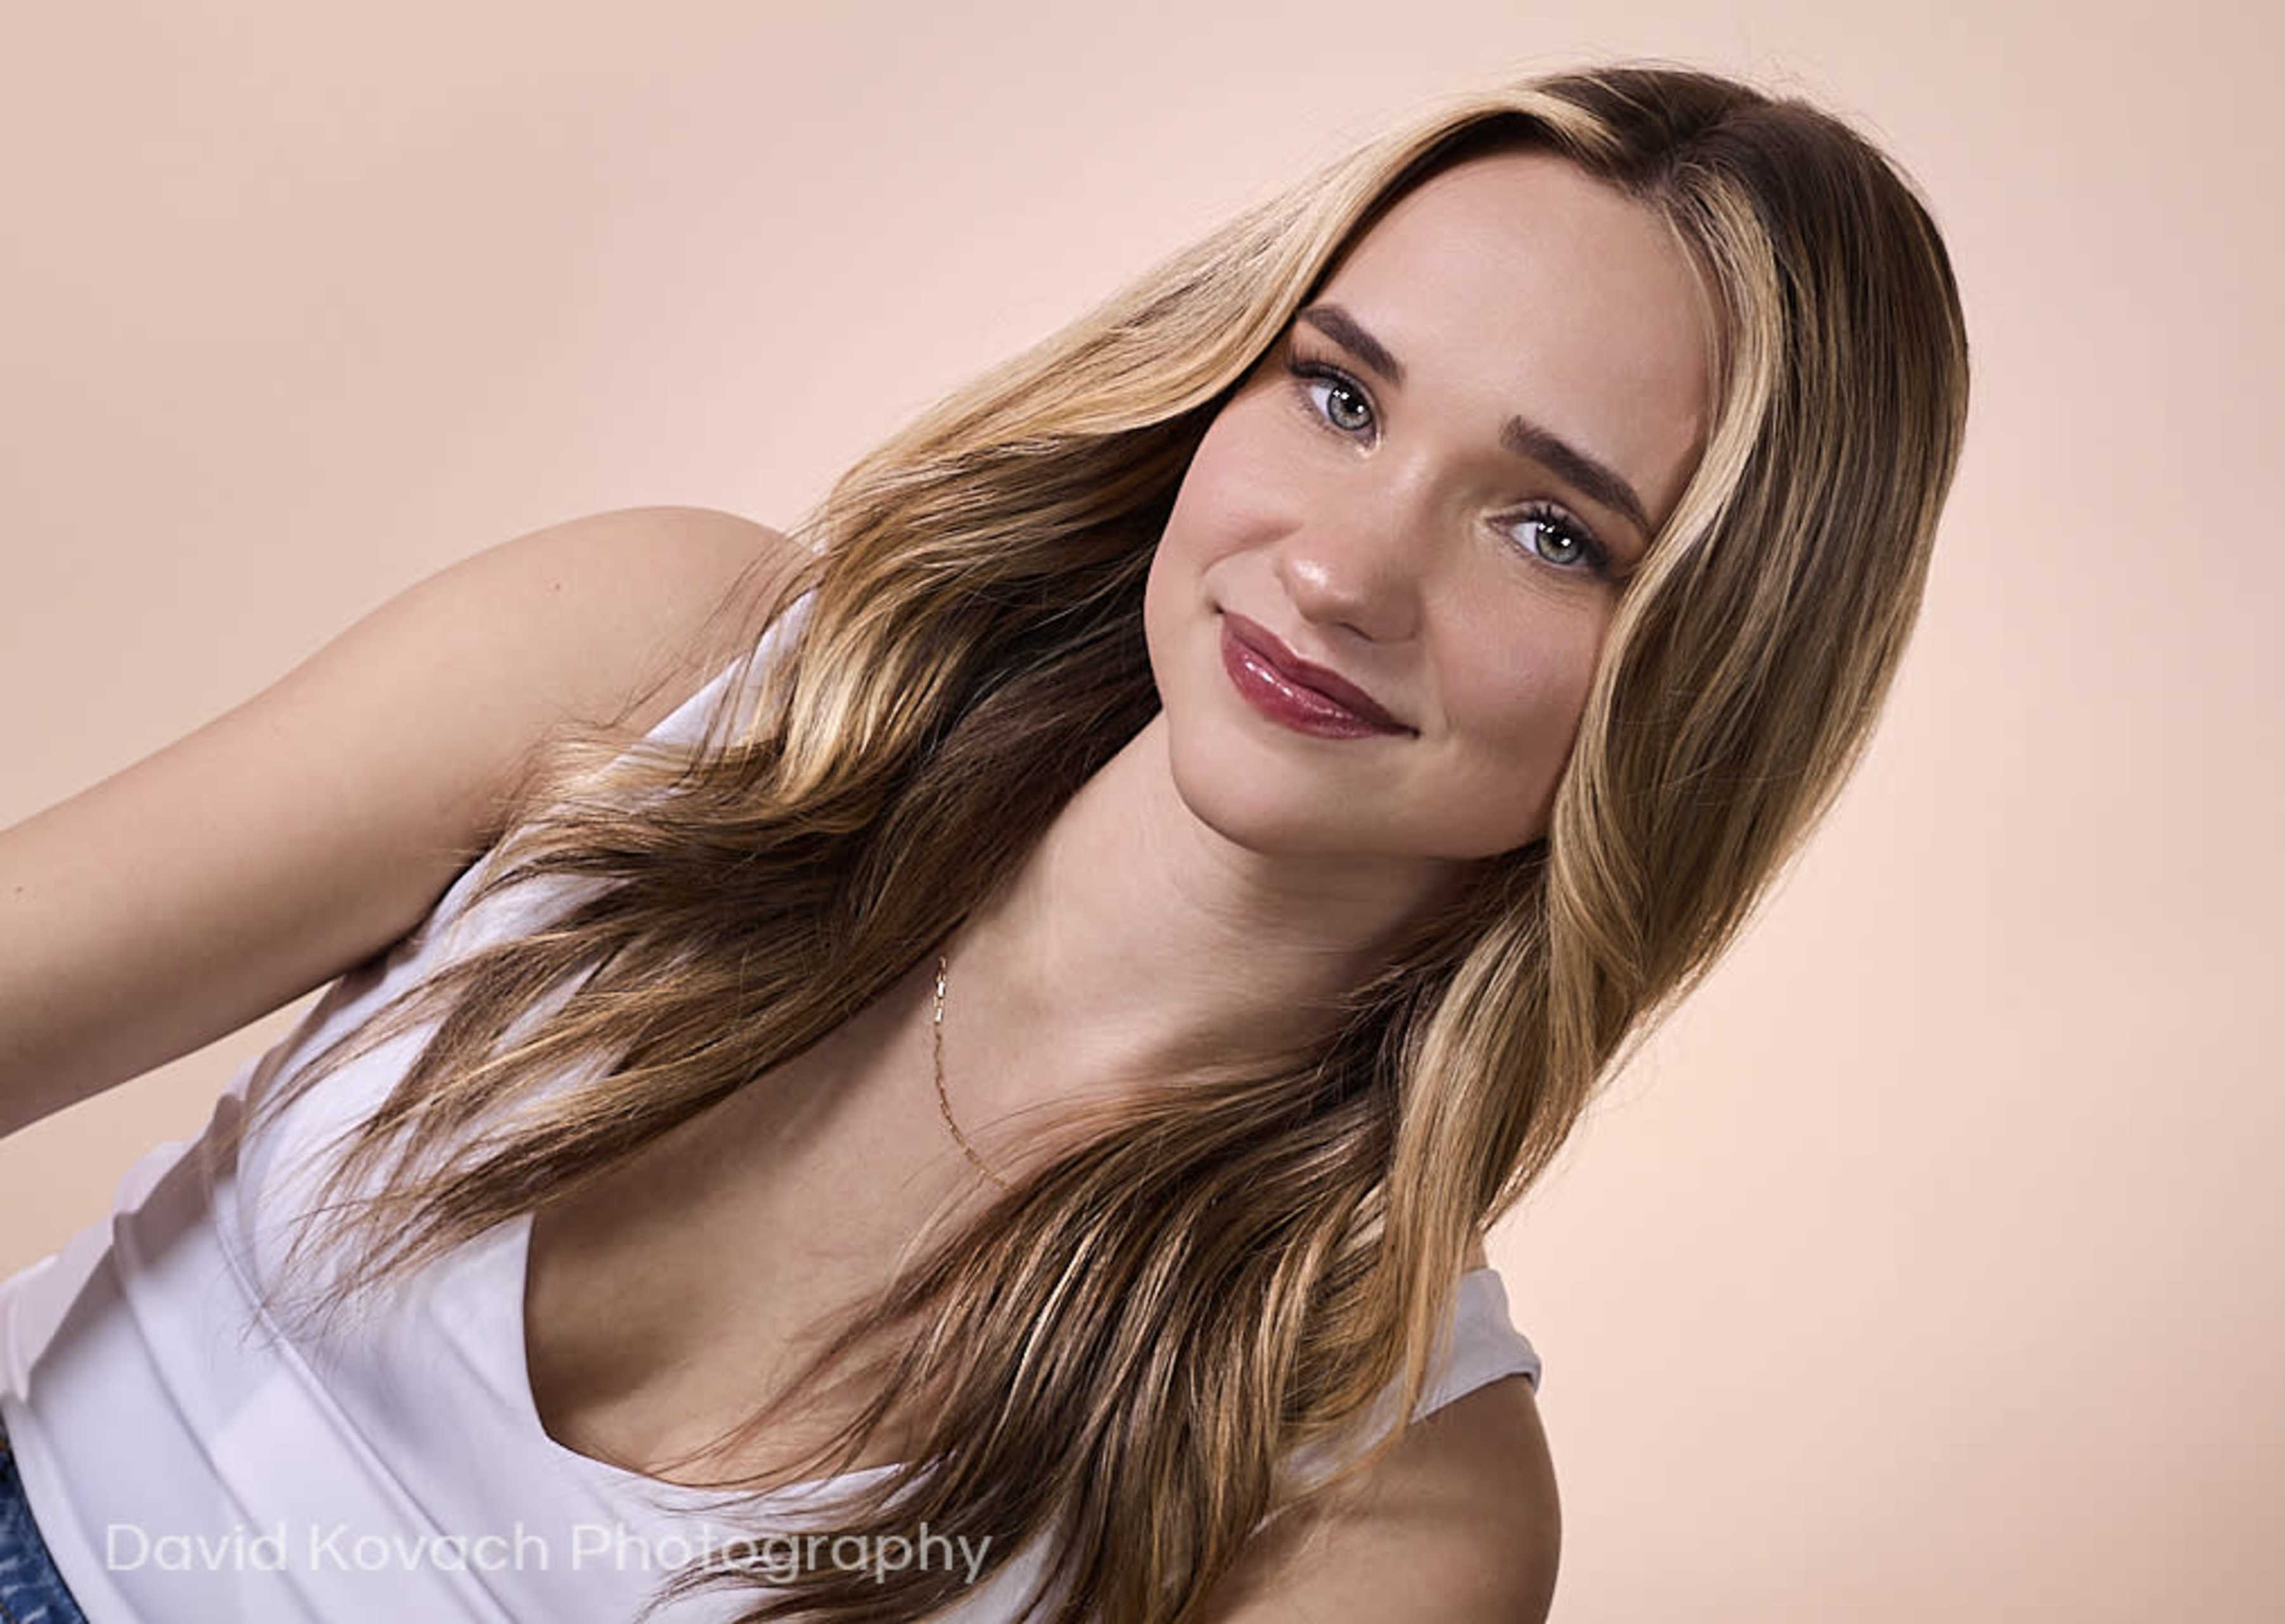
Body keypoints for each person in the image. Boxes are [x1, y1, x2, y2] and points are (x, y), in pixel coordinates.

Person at [0, 58, 1970, 1624]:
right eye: (1342, 395)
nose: (1344, 568)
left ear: (1707, 683)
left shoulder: (1394, 1501)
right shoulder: (666, 666)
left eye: (1551, 529)